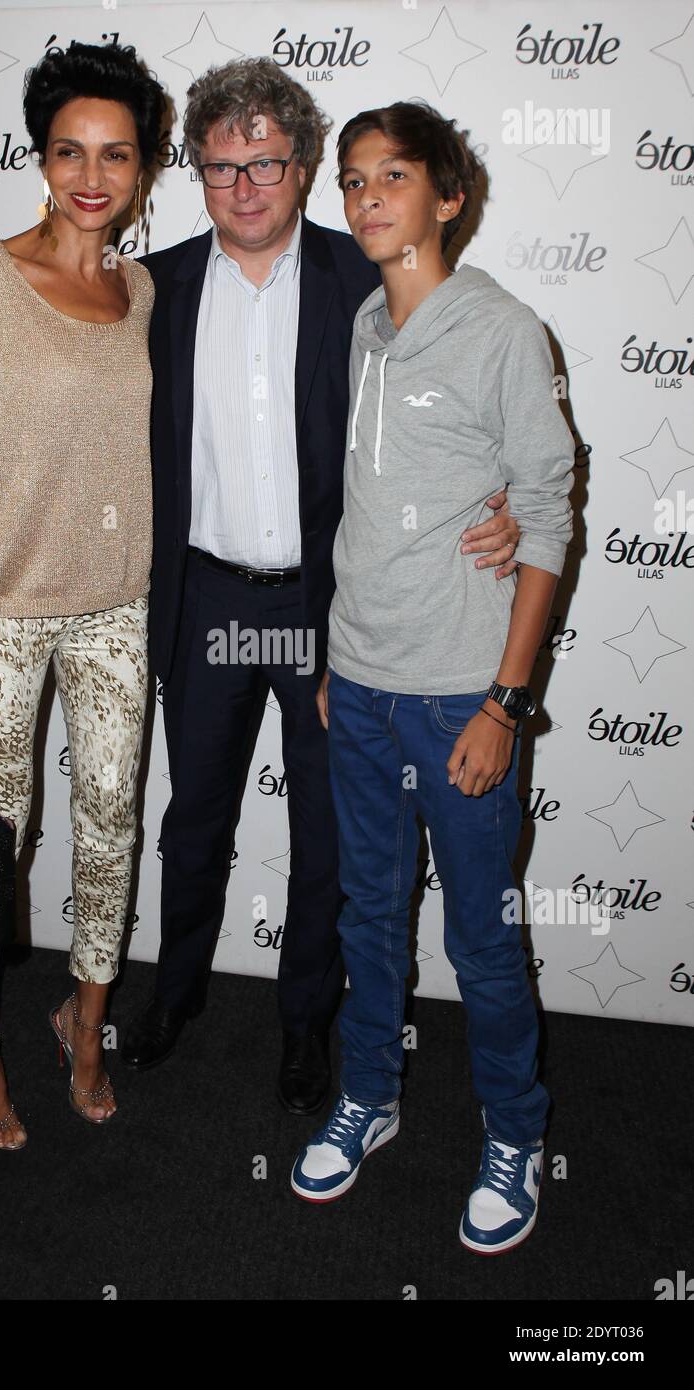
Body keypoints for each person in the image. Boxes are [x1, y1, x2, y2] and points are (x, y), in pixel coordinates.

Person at [121, 59, 522, 1116]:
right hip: (205, 603)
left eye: (264, 161)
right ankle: (175, 992)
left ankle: (305, 1023)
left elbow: (455, 411)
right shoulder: (154, 289)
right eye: (219, 165)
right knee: (193, 816)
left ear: (301, 170)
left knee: (327, 839)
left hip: (324, 612)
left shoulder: (365, 275)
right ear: (194, 175)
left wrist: (510, 500)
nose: (242, 184)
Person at [290, 100, 574, 1254]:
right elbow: (367, 514)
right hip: (356, 683)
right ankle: (370, 1095)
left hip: (463, 693)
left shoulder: (504, 330)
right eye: (350, 180)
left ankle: (513, 1131)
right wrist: (334, 655)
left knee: (481, 935)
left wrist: (506, 702)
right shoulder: (362, 320)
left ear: (445, 196)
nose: (363, 199)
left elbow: (546, 517)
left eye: (389, 178)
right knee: (366, 916)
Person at [0, 40, 165, 1147]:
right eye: (69, 150)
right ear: (41, 156)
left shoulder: (142, 288)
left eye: (115, 153)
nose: (91, 175)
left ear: (144, 167)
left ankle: (86, 1015)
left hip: (116, 604)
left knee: (111, 824)